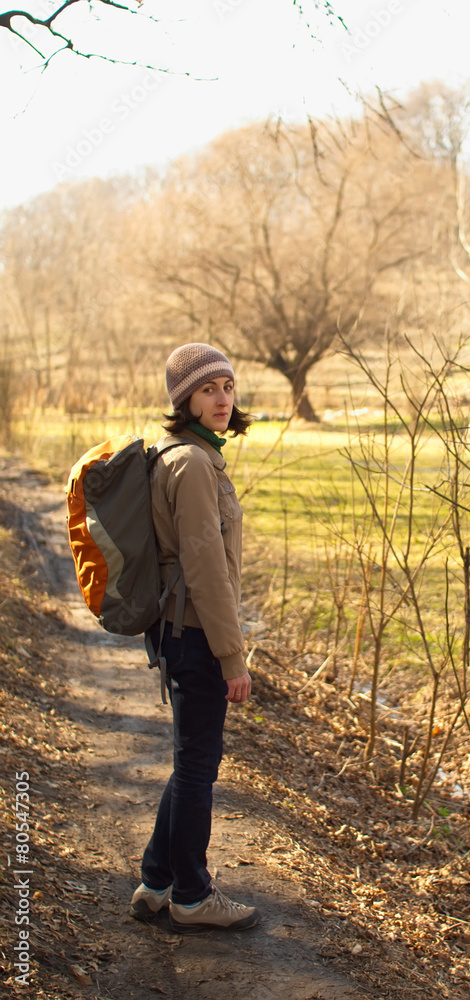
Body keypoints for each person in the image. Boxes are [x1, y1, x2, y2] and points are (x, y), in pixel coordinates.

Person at [129, 342, 259, 933]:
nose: (223, 399)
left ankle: (157, 882)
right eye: (209, 390)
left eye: (227, 386)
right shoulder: (193, 464)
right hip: (198, 634)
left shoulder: (185, 457)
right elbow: (207, 567)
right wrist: (233, 657)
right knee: (198, 768)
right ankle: (192, 895)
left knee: (189, 764)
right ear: (185, 399)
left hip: (180, 628)